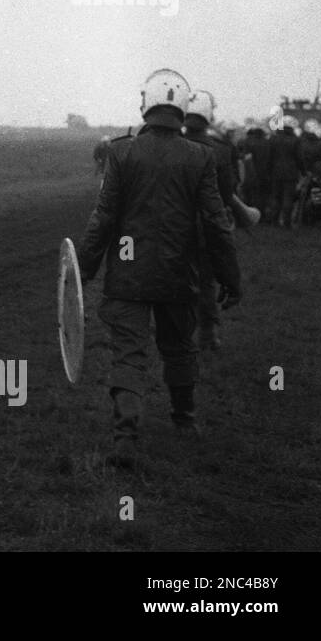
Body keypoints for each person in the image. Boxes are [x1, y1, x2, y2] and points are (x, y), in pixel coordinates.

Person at [76, 69, 240, 469]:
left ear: (146, 105)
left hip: (128, 271)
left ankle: (126, 436)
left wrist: (84, 270)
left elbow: (104, 217)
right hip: (178, 272)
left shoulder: (122, 152)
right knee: (179, 347)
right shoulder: (200, 156)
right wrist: (229, 275)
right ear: (181, 109)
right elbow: (216, 222)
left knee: (129, 354)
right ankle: (184, 421)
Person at [182, 91, 236, 351]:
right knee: (206, 282)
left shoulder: (169, 145)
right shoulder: (221, 150)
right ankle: (208, 334)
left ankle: (178, 334)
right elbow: (228, 193)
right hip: (207, 229)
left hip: (172, 228)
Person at [268, 118, 300, 227]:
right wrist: (303, 172)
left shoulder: (273, 139)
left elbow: (269, 157)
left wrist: (269, 170)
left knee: (275, 196)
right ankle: (287, 222)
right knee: (288, 197)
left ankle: (274, 221)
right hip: (291, 173)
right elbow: (299, 158)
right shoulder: (295, 140)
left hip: (275, 172)